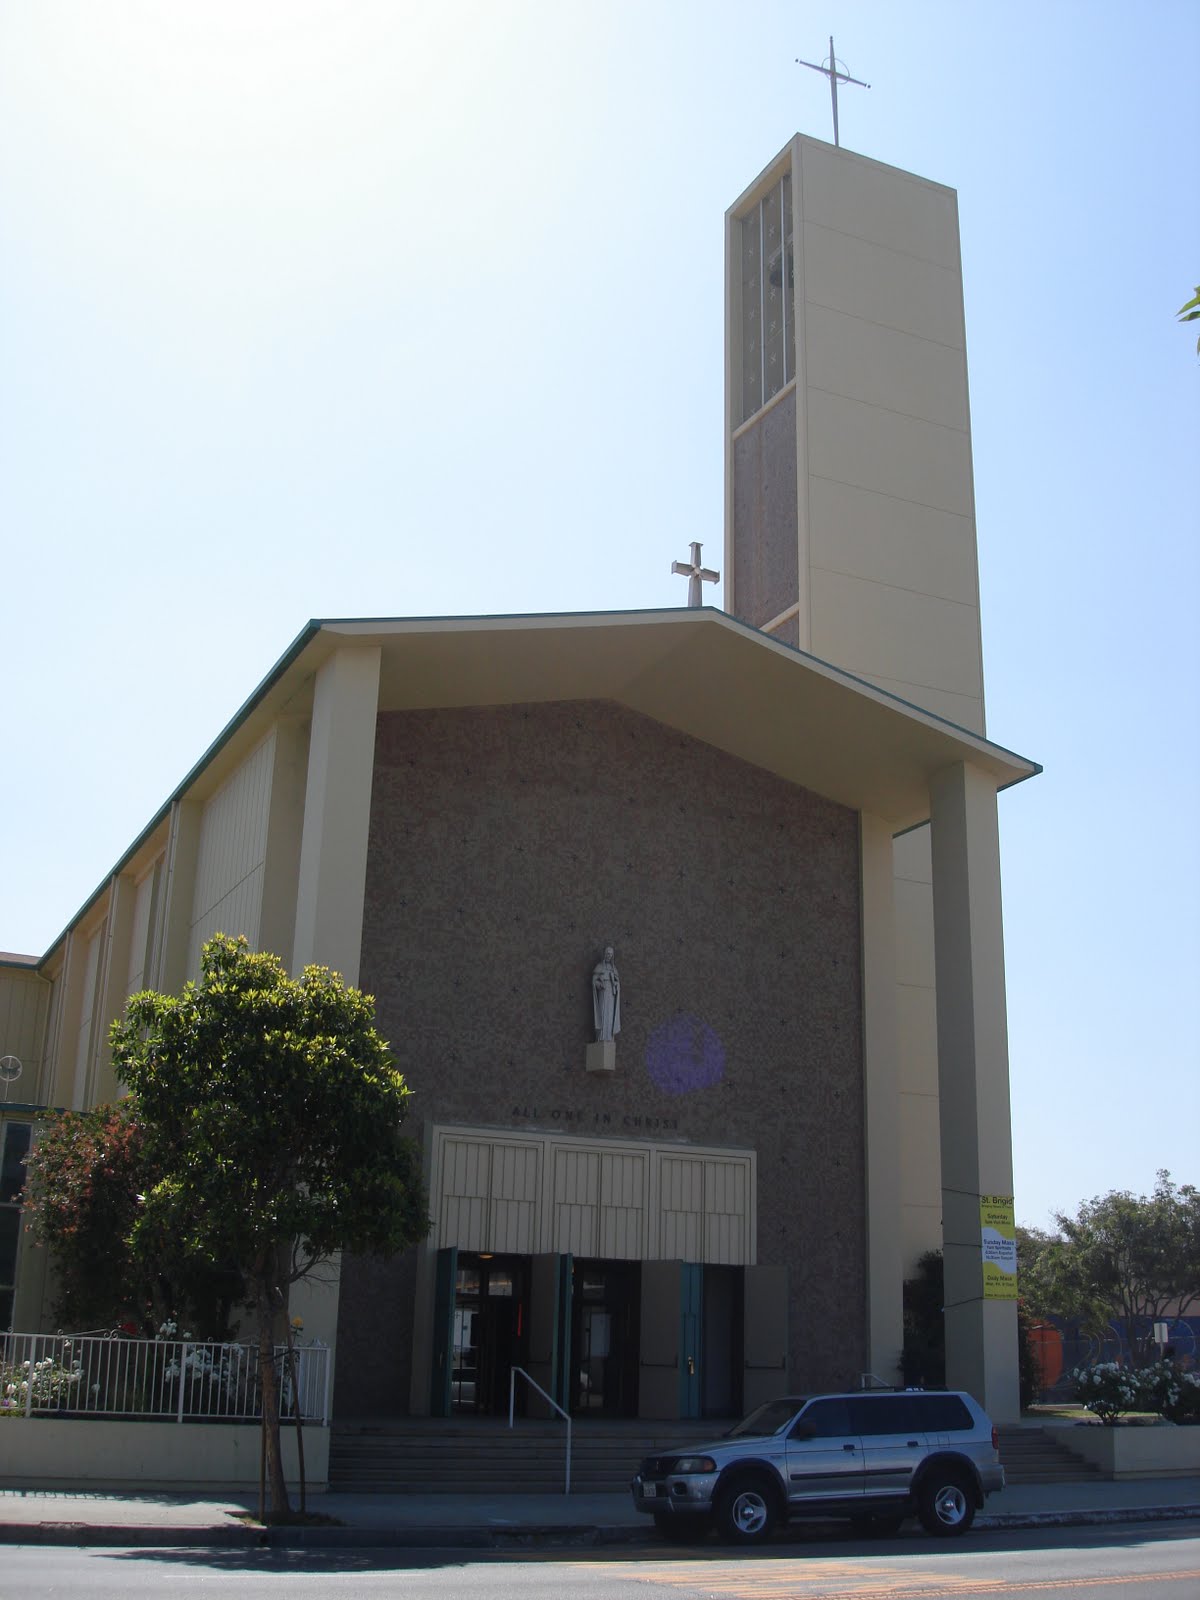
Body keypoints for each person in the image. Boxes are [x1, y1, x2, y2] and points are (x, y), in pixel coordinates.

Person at [592, 946, 620, 1042]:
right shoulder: (600, 967)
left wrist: (616, 984)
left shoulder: (614, 969)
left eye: (611, 954)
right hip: (603, 994)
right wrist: (600, 985)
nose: (609, 956)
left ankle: (609, 1037)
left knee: (610, 1015)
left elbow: (617, 983)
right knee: (603, 1013)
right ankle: (601, 1037)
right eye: (608, 954)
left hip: (611, 995)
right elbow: (594, 981)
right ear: (605, 954)